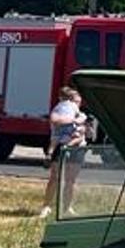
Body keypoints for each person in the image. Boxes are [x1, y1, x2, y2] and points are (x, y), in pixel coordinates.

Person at [40, 87, 89, 219]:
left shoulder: (80, 114)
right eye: (74, 101)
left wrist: (82, 124)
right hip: (60, 145)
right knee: (54, 178)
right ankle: (46, 206)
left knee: (71, 180)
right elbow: (55, 120)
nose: (77, 104)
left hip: (77, 148)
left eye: (78, 102)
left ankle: (67, 208)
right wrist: (73, 120)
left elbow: (83, 132)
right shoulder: (59, 110)